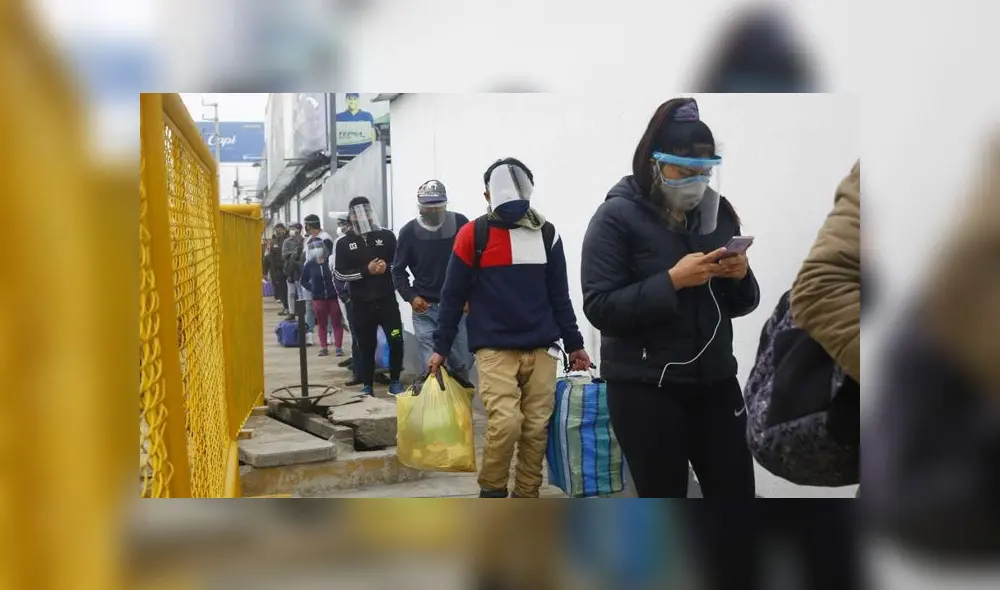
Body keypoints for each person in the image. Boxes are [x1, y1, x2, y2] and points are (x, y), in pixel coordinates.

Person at [580, 97, 760, 498]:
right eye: (684, 171)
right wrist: (672, 281)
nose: (696, 183)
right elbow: (599, 306)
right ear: (654, 163)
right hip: (646, 388)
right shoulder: (615, 218)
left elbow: (743, 303)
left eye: (705, 172)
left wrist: (740, 275)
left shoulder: (719, 214)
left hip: (715, 381)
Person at [429, 157, 592, 499]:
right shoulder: (473, 235)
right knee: (506, 424)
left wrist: (575, 344)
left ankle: (526, 496)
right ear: (486, 194)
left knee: (535, 429)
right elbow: (452, 296)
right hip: (494, 348)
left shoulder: (547, 234)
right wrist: (440, 348)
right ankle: (492, 491)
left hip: (543, 347)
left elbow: (559, 295)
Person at [392, 179, 473, 381]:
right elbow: (398, 271)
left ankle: (461, 408)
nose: (434, 212)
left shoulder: (461, 224)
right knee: (431, 366)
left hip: (457, 307)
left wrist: (470, 296)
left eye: (438, 207)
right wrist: (411, 297)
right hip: (425, 308)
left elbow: (475, 264)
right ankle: (435, 409)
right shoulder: (409, 232)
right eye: (429, 208)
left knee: (462, 363)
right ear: (420, 208)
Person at [333, 197, 405, 396]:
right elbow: (339, 274)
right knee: (366, 345)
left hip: (387, 303)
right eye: (356, 212)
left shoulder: (387, 236)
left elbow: (399, 263)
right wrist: (366, 270)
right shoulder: (344, 243)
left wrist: (386, 267)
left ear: (371, 212)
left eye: (365, 211)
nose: (361, 216)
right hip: (361, 305)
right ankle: (367, 386)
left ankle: (396, 380)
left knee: (396, 339)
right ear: (351, 216)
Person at [332, 213, 364, 385]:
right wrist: (345, 297)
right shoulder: (342, 243)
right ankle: (359, 373)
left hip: (373, 297)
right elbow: (337, 273)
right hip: (352, 297)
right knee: (357, 337)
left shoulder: (370, 240)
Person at [301, 238, 345, 357]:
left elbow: (337, 275)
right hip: (318, 298)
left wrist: (337, 289)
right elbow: (303, 280)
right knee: (322, 324)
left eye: (318, 247)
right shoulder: (309, 265)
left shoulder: (330, 261)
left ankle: (338, 348)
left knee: (337, 323)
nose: (316, 250)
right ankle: (324, 347)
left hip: (333, 297)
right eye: (313, 248)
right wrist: (312, 288)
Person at [282, 222, 305, 321]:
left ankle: (301, 313)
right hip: (290, 270)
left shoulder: (304, 241)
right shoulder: (287, 241)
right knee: (291, 292)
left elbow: (304, 255)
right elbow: (284, 255)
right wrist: (294, 253)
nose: (291, 230)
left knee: (300, 292)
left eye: (293, 228)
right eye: (291, 228)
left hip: (300, 270)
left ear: (299, 230)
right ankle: (291, 312)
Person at [265, 223, 290, 315]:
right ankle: (286, 307)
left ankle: (291, 309)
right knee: (282, 290)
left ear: (284, 229)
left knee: (289, 291)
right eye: (276, 230)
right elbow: (270, 256)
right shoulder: (275, 241)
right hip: (278, 269)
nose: (278, 231)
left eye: (279, 229)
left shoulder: (288, 239)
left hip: (288, 268)